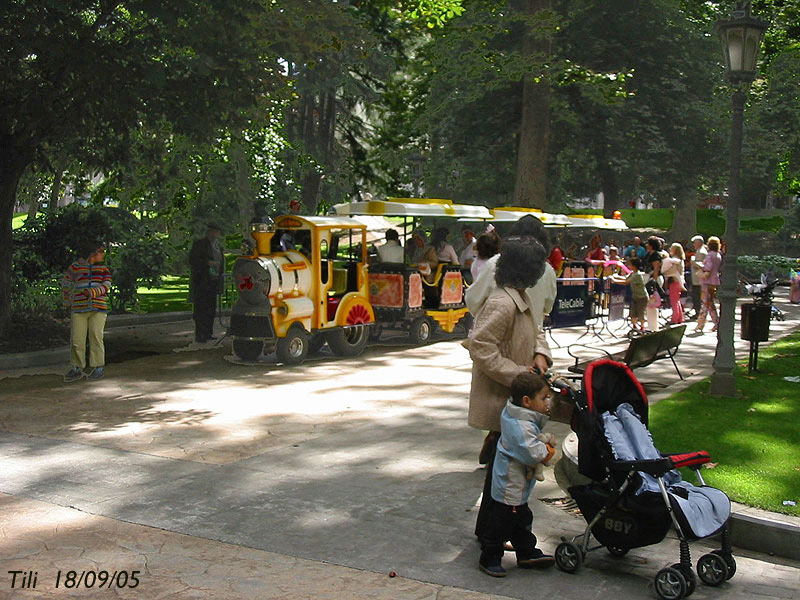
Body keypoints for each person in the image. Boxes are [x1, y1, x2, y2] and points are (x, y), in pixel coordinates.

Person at [467, 230, 552, 542]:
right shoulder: (502, 303)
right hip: (503, 397)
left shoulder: (521, 297)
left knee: (503, 473)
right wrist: (518, 374)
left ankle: (497, 532)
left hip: (516, 398)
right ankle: (495, 536)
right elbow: (480, 347)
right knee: (504, 475)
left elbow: (536, 329)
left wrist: (541, 354)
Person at [477, 371, 556, 577]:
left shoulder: (521, 416)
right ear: (527, 401)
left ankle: (526, 551)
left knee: (521, 518)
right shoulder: (519, 425)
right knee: (501, 522)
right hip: (509, 483)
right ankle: (490, 556)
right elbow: (530, 452)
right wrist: (546, 451)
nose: (548, 402)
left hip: (517, 484)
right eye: (544, 398)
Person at [61, 241, 112, 382]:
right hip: (79, 308)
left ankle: (98, 367)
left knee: (96, 336)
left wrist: (92, 292)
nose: (103, 254)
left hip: (98, 308)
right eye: (101, 251)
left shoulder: (103, 269)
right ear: (93, 253)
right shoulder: (76, 267)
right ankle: (77, 368)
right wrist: (67, 299)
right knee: (77, 339)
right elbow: (66, 281)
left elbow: (107, 285)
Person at [189, 223, 226, 343]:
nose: (214, 234)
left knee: (211, 308)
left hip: (214, 281)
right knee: (201, 309)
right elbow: (193, 260)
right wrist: (208, 263)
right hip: (202, 281)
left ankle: (208, 332)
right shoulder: (200, 244)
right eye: (212, 232)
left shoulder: (218, 246)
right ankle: (200, 334)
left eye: (216, 232)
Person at [611, 257, 647, 333]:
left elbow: (626, 282)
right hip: (635, 296)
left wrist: (614, 280)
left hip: (642, 297)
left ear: (634, 266)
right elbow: (625, 278)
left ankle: (642, 327)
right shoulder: (632, 273)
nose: (629, 266)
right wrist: (617, 276)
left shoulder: (637, 275)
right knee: (633, 313)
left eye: (630, 265)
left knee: (641, 313)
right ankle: (634, 327)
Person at [695, 236, 722, 333]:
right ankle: (716, 322)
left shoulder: (709, 255)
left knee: (705, 302)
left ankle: (700, 323)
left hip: (707, 281)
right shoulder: (718, 255)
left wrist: (701, 266)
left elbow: (708, 267)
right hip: (715, 280)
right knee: (710, 303)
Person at [661, 243, 686, 324]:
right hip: (678, 282)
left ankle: (674, 319)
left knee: (674, 301)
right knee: (677, 300)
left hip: (674, 281)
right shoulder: (680, 259)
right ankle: (679, 318)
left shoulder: (674, 260)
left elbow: (672, 270)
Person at [689, 235, 707, 320]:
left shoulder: (701, 252)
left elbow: (701, 265)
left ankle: (698, 312)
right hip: (697, 278)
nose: (693, 245)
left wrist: (693, 261)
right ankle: (698, 311)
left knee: (696, 296)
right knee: (696, 295)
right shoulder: (700, 251)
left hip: (698, 279)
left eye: (694, 243)